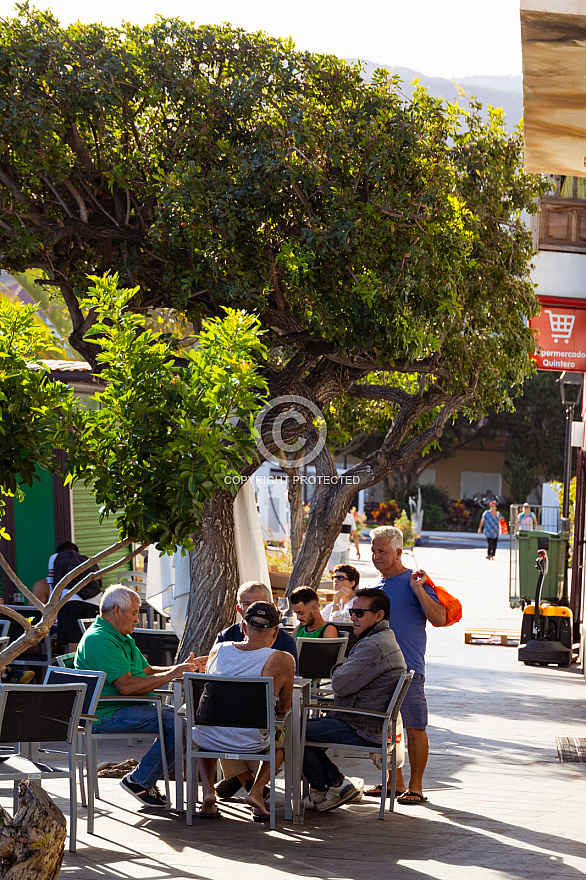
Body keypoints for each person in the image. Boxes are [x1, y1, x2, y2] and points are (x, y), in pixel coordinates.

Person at [75, 585, 202, 807]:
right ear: (117, 611)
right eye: (134, 613)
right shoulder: (101, 639)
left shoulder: (120, 635)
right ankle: (140, 780)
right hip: (106, 713)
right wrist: (173, 674)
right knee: (179, 725)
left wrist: (181, 668)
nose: (136, 619)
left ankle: (144, 778)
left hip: (128, 706)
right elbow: (126, 686)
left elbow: (146, 672)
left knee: (188, 721)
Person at [302, 587, 406, 812]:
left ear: (378, 615)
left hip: (360, 726)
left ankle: (335, 785)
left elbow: (339, 683)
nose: (353, 618)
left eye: (359, 613)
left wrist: (338, 666)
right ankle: (327, 788)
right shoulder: (383, 637)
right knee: (300, 729)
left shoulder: (372, 645)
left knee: (292, 732)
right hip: (366, 722)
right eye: (352, 612)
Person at [192, 601, 295, 821]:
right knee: (281, 741)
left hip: (206, 736)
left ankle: (208, 791)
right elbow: (284, 707)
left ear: (243, 628)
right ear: (276, 632)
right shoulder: (283, 659)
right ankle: (256, 792)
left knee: (207, 726)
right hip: (251, 741)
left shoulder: (218, 650)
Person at [369, 525, 446, 805]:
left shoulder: (415, 582)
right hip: (376, 673)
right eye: (374, 551)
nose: (377, 556)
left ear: (399, 552)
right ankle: (393, 783)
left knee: (414, 727)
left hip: (408, 670)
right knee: (383, 729)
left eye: (383, 551)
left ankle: (416, 787)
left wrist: (419, 590)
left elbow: (438, 618)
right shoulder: (375, 588)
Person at [213, 581, 298, 801]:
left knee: (215, 724)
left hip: (212, 731)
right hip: (252, 728)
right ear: (239, 609)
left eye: (257, 604)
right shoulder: (225, 637)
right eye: (246, 604)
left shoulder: (218, 649)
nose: (252, 610)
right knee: (283, 736)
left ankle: (237, 779)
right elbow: (284, 706)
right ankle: (254, 786)